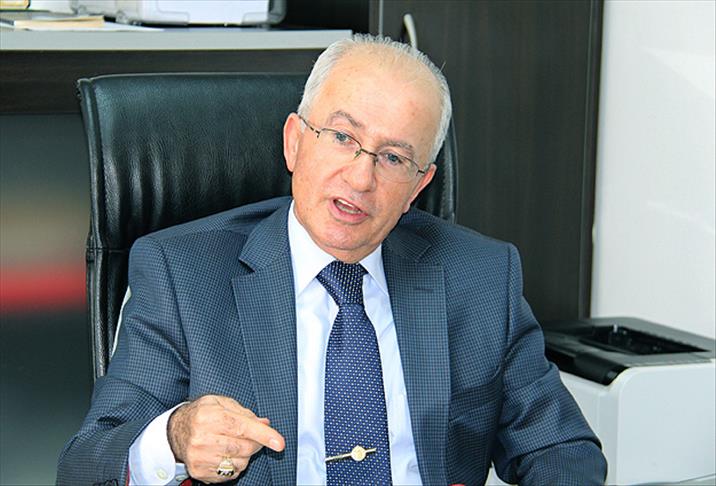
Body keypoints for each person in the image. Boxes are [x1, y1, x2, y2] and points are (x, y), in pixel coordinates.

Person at [58, 34, 607, 486]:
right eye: (343, 137)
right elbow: (86, 468)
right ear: (295, 142)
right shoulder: (182, 274)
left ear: (419, 186)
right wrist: (174, 438)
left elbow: (563, 450)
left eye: (394, 158)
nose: (362, 178)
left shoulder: (480, 277)